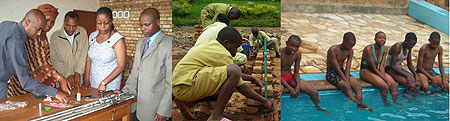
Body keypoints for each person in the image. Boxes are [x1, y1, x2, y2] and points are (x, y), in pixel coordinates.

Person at [172, 27, 274, 120]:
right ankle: (216, 116)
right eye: (236, 47)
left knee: (226, 86)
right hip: (186, 86)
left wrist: (252, 78)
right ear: (226, 43)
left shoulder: (211, 45)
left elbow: (230, 75)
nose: (236, 52)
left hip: (182, 85)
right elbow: (240, 85)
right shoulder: (222, 53)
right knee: (234, 72)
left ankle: (190, 102)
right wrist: (265, 101)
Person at [0, 9, 68, 103]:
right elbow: (26, 81)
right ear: (27, 22)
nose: (39, 33)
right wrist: (55, 93)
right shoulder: (17, 42)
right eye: (38, 29)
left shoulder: (6, 24)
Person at [120, 8, 172, 121]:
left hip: (155, 109)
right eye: (141, 25)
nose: (143, 29)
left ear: (158, 22)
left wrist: (164, 110)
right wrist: (123, 93)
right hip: (137, 105)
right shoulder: (141, 43)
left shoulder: (168, 43)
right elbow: (135, 73)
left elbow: (170, 82)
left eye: (147, 25)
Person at [281, 35, 330, 113]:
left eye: (296, 47)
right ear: (286, 43)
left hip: (289, 76)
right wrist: (290, 88)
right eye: (291, 45)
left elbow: (296, 72)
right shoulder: (280, 53)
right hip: (280, 78)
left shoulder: (297, 54)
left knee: (314, 92)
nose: (294, 49)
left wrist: (297, 86)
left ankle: (317, 107)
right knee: (278, 93)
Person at [326, 32, 373, 111]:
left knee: (358, 86)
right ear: (344, 41)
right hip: (332, 72)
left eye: (352, 46)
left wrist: (347, 79)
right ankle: (359, 103)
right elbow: (336, 68)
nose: (350, 48)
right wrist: (346, 81)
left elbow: (348, 67)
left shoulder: (350, 51)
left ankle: (359, 106)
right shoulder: (333, 50)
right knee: (346, 86)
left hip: (342, 71)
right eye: (349, 45)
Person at [84, 7, 126, 91]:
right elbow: (89, 58)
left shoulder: (117, 40)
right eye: (99, 23)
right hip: (94, 81)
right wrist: (87, 77)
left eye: (106, 23)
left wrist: (104, 82)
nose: (102, 27)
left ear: (111, 21)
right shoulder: (93, 36)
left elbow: (121, 66)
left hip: (110, 84)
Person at [359, 31, 402, 106]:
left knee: (394, 84)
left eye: (384, 38)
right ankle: (385, 102)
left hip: (376, 70)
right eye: (379, 38)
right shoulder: (368, 49)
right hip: (366, 71)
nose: (382, 40)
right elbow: (372, 67)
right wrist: (385, 80)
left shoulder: (385, 49)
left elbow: (381, 66)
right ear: (375, 39)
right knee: (385, 86)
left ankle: (395, 102)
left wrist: (384, 77)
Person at [50, 11, 89, 88]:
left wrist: (78, 72)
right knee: (63, 97)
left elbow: (84, 54)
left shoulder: (82, 32)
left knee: (77, 97)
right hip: (62, 76)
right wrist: (68, 74)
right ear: (64, 22)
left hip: (78, 76)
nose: (71, 29)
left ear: (78, 24)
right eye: (68, 25)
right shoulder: (55, 36)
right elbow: (55, 59)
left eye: (74, 26)